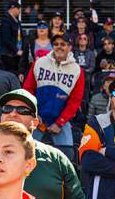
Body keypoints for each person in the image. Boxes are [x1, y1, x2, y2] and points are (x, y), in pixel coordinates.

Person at [23, 33, 85, 161]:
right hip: (37, 118)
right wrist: (33, 114)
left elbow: (75, 101)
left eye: (63, 44)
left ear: (70, 47)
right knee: (27, 153)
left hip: (60, 120)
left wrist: (60, 123)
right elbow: (28, 90)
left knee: (67, 156)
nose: (59, 47)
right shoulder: (39, 63)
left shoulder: (76, 70)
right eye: (56, 44)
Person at [0, 1, 23, 74]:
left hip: (16, 55)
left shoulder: (17, 22)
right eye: (18, 8)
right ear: (12, 8)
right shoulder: (5, 21)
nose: (20, 10)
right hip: (8, 55)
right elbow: (6, 39)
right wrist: (16, 50)